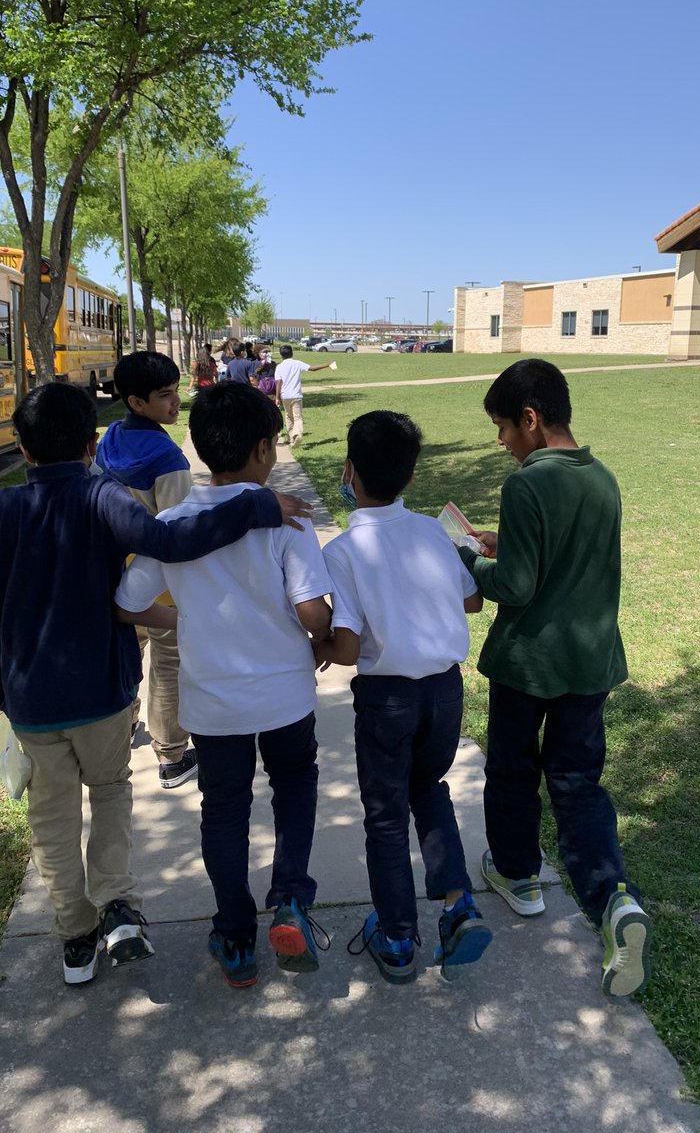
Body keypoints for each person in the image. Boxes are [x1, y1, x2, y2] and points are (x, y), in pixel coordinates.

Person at [0, 382, 312, 987]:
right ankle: (121, 908)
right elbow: (166, 540)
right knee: (109, 794)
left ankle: (77, 937)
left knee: (52, 820)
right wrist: (258, 506)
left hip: (31, 700)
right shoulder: (103, 496)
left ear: (20, 449)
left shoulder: (1, 510)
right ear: (92, 442)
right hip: (101, 692)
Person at [115, 382, 333, 989]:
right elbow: (313, 612)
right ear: (265, 449)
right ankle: (289, 900)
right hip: (286, 693)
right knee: (294, 787)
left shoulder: (171, 523)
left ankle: (234, 934)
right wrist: (322, 640)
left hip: (211, 701)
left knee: (225, 807)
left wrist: (181, 618)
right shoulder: (287, 517)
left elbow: (129, 605)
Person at [458, 358, 652, 998]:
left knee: (513, 771)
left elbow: (516, 584)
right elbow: (564, 557)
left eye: (503, 428)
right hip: (590, 661)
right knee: (578, 783)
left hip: (530, 664)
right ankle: (613, 899)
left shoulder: (527, 484)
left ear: (532, 419)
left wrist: (471, 560)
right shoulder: (603, 477)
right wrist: (502, 543)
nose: (502, 442)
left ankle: (517, 876)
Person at [314, 411, 491, 984]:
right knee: (429, 789)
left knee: (385, 815)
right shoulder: (433, 534)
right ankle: (457, 904)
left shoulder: (341, 551)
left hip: (387, 699)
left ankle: (396, 935)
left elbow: (345, 646)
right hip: (445, 692)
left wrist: (316, 643)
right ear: (412, 477)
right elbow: (471, 603)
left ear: (349, 472)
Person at [96, 351, 197, 790]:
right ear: (137, 402)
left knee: (123, 654)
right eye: (165, 396)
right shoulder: (169, 460)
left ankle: (117, 737)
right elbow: (175, 532)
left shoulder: (110, 438)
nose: (176, 403)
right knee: (169, 663)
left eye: (176, 392)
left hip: (112, 571)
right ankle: (172, 756)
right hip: (159, 583)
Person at [274, 343, 334, 447]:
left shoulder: (279, 366)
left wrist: (277, 397)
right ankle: (297, 434)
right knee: (298, 417)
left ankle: (291, 438)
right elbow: (312, 368)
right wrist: (327, 364)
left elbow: (278, 383)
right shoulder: (297, 363)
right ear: (292, 353)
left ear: (281, 355)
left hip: (285, 396)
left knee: (288, 416)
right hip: (296, 395)